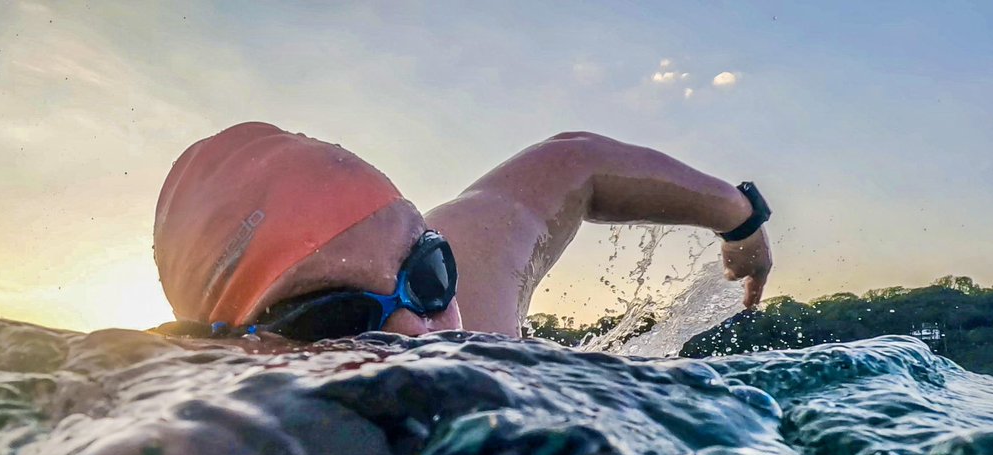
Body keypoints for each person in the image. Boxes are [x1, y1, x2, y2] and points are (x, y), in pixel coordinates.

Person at [153, 121, 772, 341]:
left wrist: (740, 218)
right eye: (333, 319)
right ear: (232, 353)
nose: (419, 334)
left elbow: (576, 159)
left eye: (428, 273)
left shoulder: (470, 302)